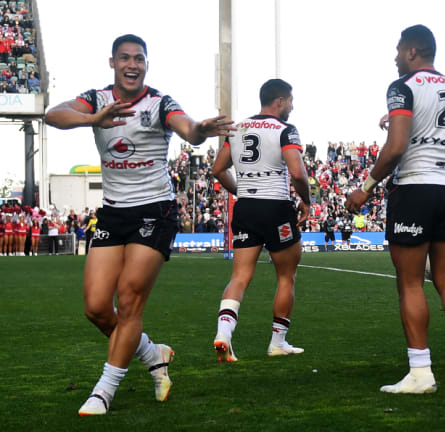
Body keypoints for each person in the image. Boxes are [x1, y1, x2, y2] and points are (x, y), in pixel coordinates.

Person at [45, 34, 235, 416]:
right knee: (98, 308)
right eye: (125, 58)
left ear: (146, 65)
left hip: (155, 210)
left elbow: (187, 128)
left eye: (139, 59)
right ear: (112, 63)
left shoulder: (159, 102)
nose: (133, 65)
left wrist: (200, 130)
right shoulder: (97, 99)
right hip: (114, 212)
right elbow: (52, 114)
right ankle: (153, 354)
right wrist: (92, 120)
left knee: (129, 300)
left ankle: (104, 390)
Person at [346, 24, 445, 395]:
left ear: (413, 51)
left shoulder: (403, 87)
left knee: (411, 282)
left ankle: (420, 371)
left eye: (399, 50)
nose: (396, 57)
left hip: (415, 186)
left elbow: (397, 145)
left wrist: (365, 189)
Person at [211, 78, 311, 362]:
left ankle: (224, 334)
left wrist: (239, 190)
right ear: (279, 101)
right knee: (286, 277)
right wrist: (307, 200)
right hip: (276, 207)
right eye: (290, 100)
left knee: (239, 277)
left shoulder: (239, 129)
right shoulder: (285, 130)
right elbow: (297, 172)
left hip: (246, 208)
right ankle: (277, 342)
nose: (292, 106)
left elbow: (218, 169)